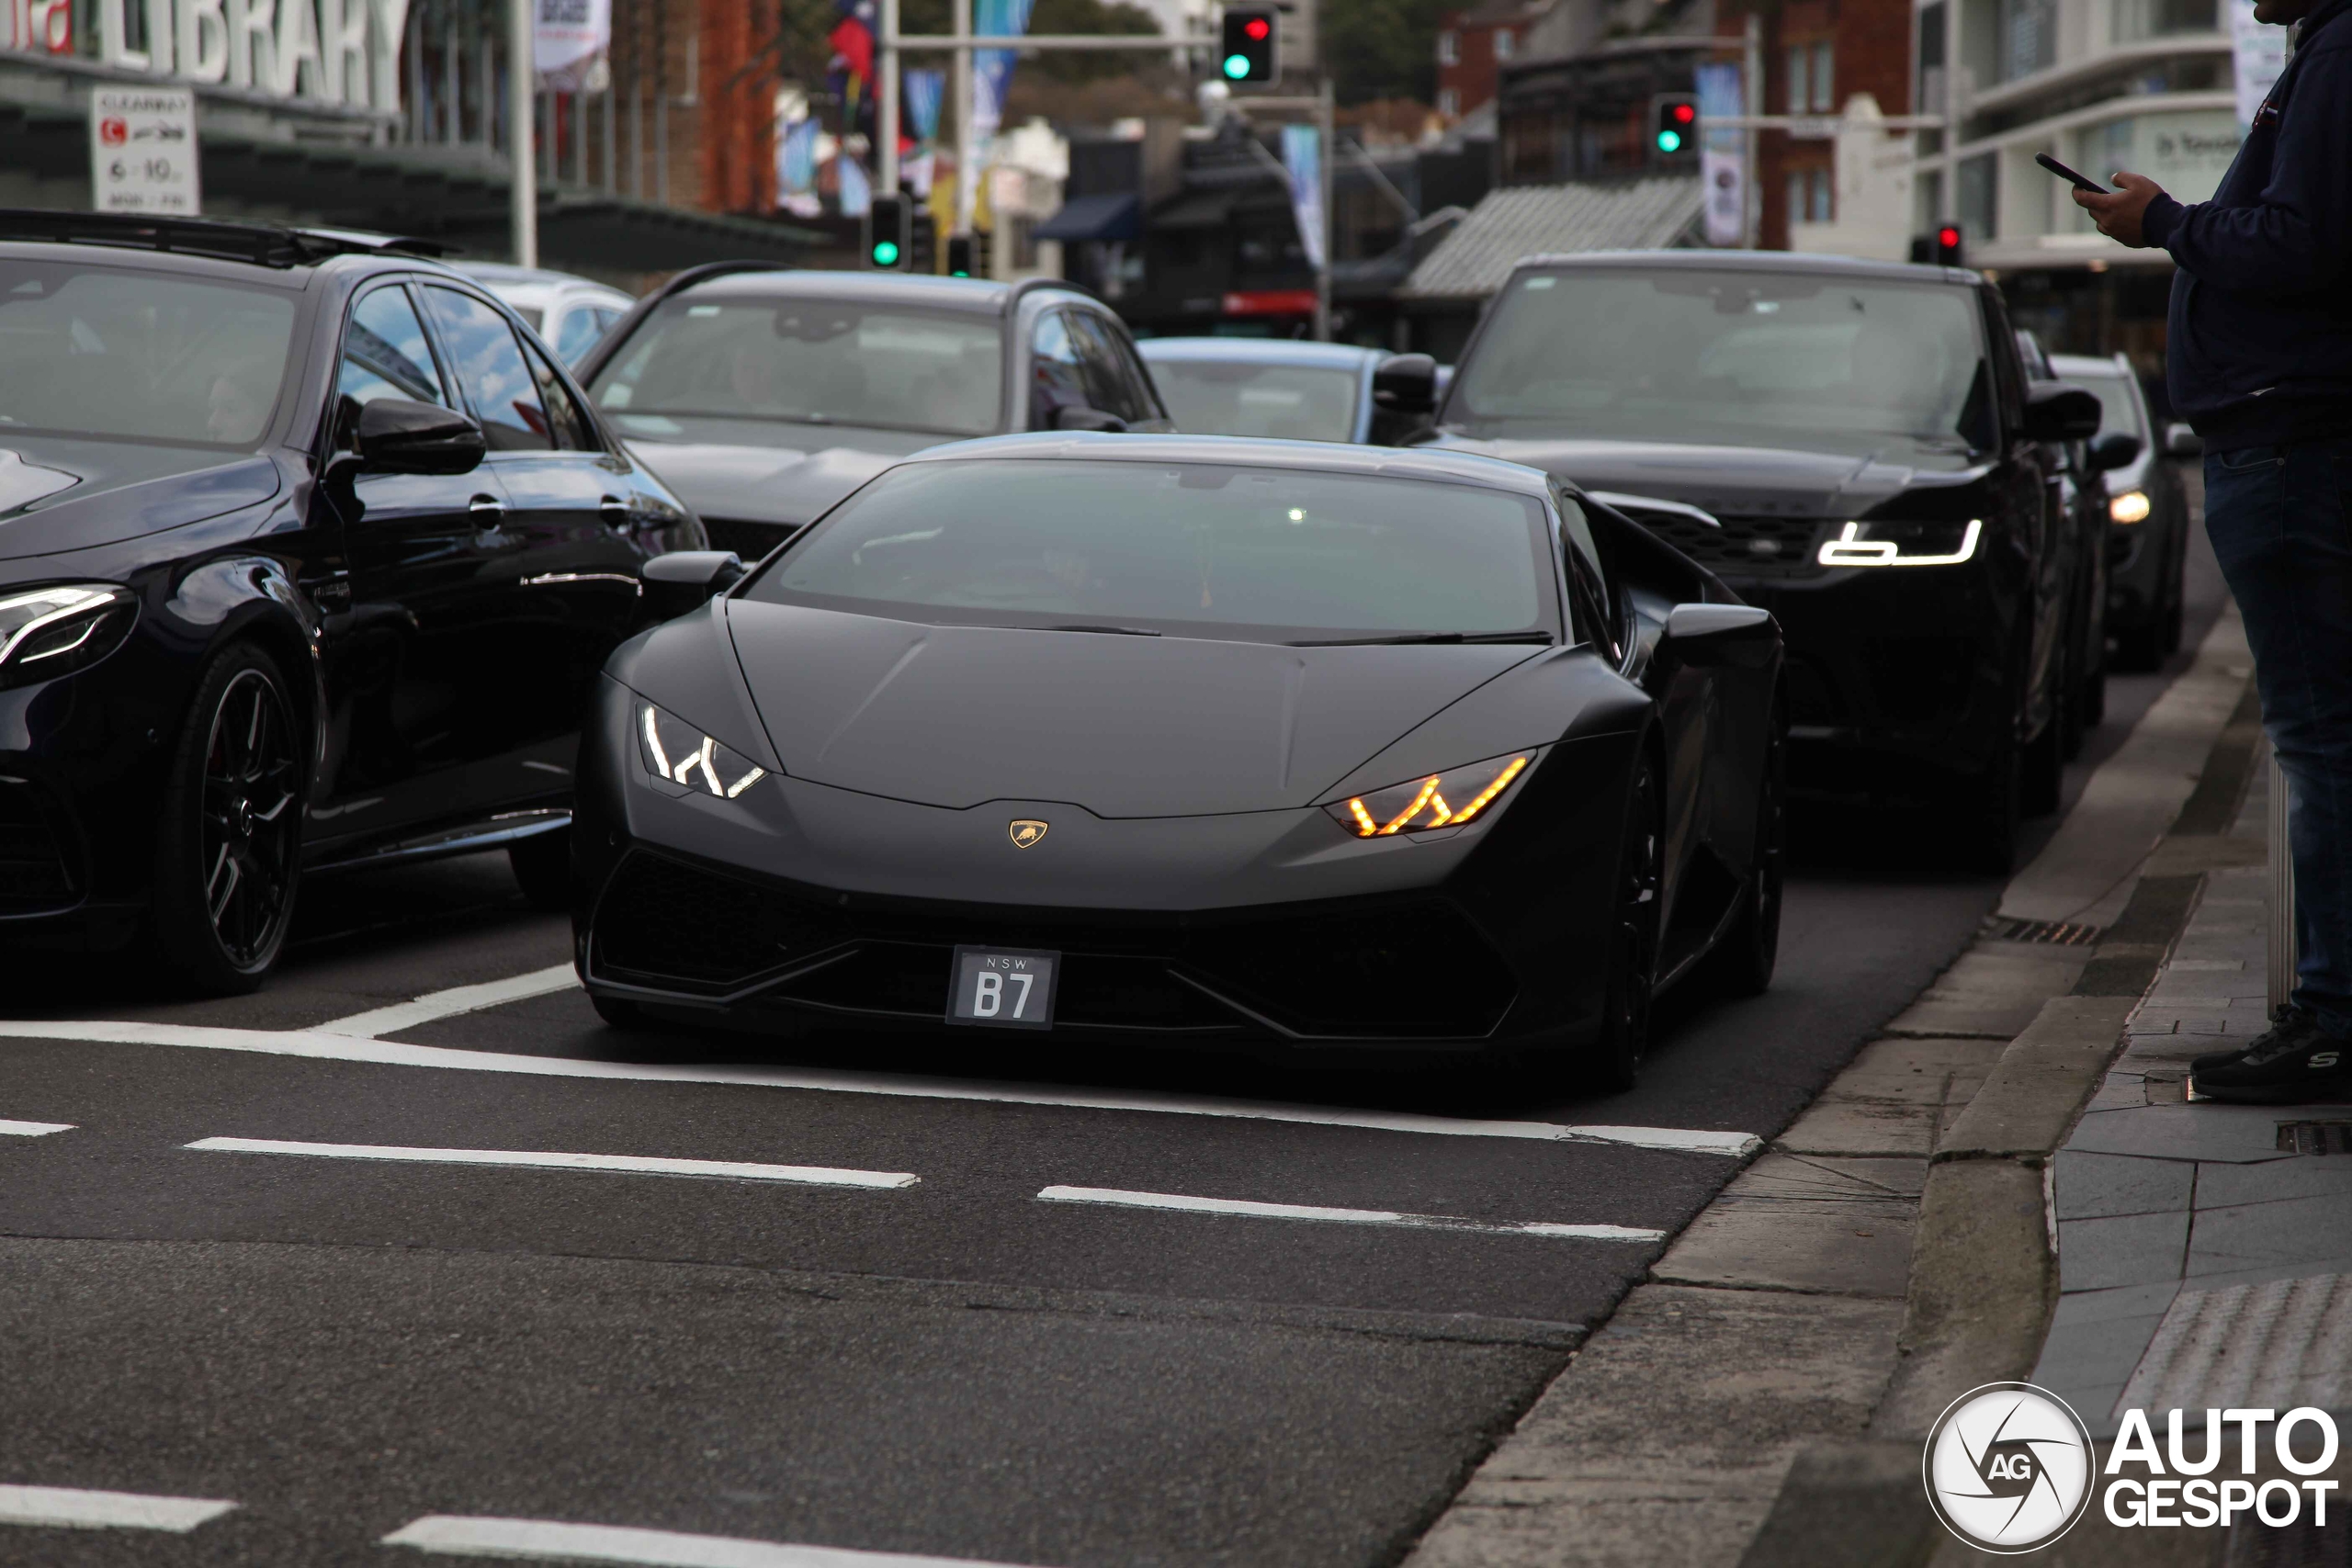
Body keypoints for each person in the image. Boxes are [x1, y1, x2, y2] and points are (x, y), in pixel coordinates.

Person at [2075, 0, 2352, 1103]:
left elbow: (2303, 242)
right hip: (2290, 440)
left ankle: (2330, 1016)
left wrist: (2166, 223)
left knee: (2320, 737)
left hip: (2288, 443)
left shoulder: (2337, 52)